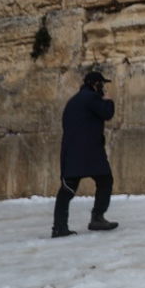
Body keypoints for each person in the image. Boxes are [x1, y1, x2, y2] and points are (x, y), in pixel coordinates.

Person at [52, 69, 120, 238]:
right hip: (90, 152)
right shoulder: (91, 98)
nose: (103, 88)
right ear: (94, 84)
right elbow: (107, 113)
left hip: (72, 152)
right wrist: (109, 100)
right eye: (102, 84)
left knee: (67, 190)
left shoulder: (73, 101)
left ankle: (59, 226)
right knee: (105, 181)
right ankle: (97, 217)